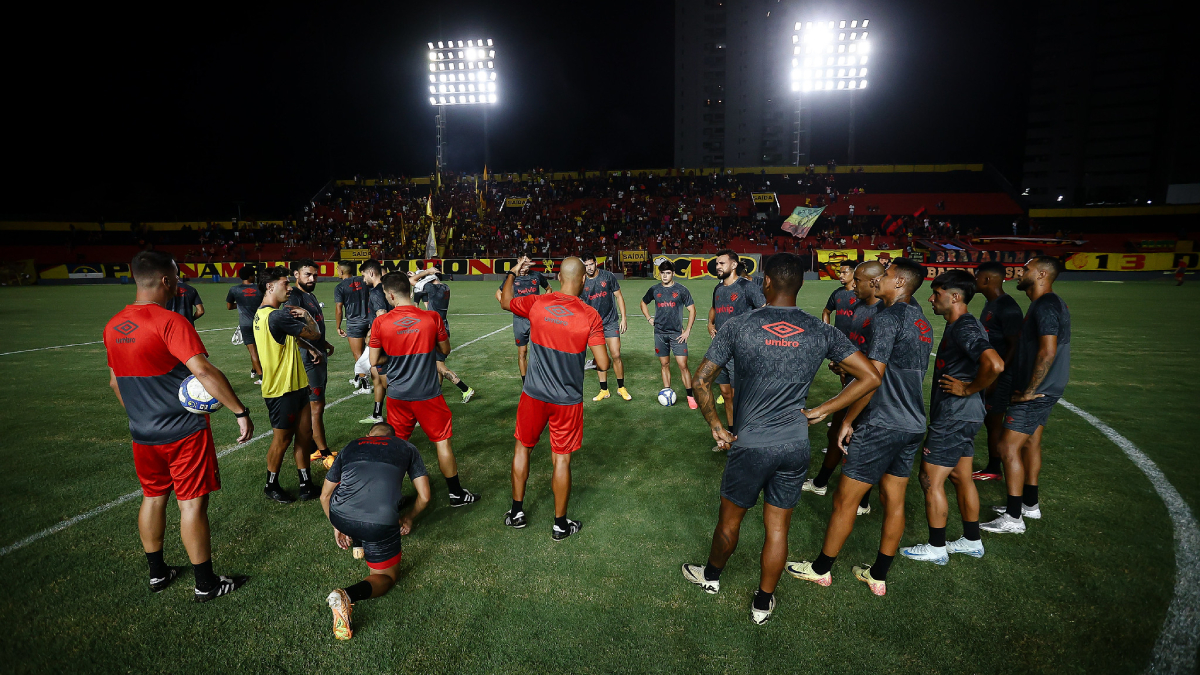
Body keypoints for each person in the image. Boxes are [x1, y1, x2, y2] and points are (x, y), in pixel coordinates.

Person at [681, 252, 880, 625]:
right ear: (801, 284)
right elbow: (870, 377)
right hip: (794, 445)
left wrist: (715, 426)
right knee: (777, 529)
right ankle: (761, 603)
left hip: (751, 444)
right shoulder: (820, 330)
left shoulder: (739, 326)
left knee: (729, 522)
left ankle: (710, 577)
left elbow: (700, 379)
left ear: (766, 282)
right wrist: (823, 410)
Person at [104, 251, 251, 602]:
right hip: (183, 432)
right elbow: (203, 371)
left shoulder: (113, 326)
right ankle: (206, 584)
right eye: (176, 276)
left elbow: (114, 383)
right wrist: (239, 410)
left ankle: (158, 575)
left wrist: (142, 415)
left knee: (153, 498)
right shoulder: (170, 321)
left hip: (143, 433)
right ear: (167, 280)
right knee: (191, 505)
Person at [786, 257, 932, 597]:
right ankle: (877, 575)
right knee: (893, 501)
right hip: (913, 423)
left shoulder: (888, 318)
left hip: (882, 422)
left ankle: (820, 569)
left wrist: (835, 414)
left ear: (899, 283)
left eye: (889, 273)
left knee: (845, 500)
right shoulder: (920, 318)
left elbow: (872, 379)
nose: (881, 277)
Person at [499, 256, 609, 540]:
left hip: (533, 394)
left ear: (559, 277)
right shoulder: (590, 315)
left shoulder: (537, 302)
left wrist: (512, 273)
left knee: (522, 449)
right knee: (561, 460)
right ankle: (560, 525)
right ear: (584, 280)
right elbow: (603, 363)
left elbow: (505, 301)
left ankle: (516, 512)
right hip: (567, 400)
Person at [900, 271, 1002, 565]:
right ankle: (971, 540)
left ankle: (936, 547)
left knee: (930, 478)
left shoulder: (964, 326)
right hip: (968, 416)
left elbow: (994, 364)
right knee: (959, 475)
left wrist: (968, 388)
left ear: (955, 297)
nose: (931, 299)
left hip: (955, 416)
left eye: (937, 293)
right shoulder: (962, 325)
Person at [369, 272, 479, 506]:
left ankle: (389, 496)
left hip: (398, 394)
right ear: (409, 292)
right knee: (442, 442)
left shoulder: (381, 322)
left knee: (396, 444)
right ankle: (456, 494)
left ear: (390, 295)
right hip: (428, 394)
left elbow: (374, 360)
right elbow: (445, 349)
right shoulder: (431, 318)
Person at [982, 256, 1071, 534]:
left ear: (1042, 274)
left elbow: (1048, 350)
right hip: (1046, 389)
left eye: (1026, 269)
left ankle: (1013, 518)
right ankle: (1029, 504)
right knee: (1031, 442)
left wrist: (1030, 390)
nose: (1020, 273)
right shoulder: (1045, 303)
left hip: (1037, 392)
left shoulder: (1045, 305)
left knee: (1008, 447)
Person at [321, 423, 431, 640]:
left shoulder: (352, 445)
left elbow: (325, 496)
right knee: (386, 577)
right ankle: (347, 595)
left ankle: (358, 542)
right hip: (379, 522)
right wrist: (408, 517)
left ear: (367, 436)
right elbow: (425, 496)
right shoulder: (406, 447)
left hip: (341, 515)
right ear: (394, 437)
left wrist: (337, 526)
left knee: (355, 493)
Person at [804, 261, 884, 516]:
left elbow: (879, 367)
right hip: (855, 383)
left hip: (875, 392)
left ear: (872, 281)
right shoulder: (858, 307)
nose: (852, 285)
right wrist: (846, 367)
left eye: (857, 279)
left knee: (860, 443)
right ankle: (820, 483)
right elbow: (858, 351)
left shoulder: (885, 314)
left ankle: (863, 500)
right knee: (837, 433)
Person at [254, 266, 327, 503]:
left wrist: (310, 349)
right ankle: (270, 485)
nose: (288, 288)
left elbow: (289, 337)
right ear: (270, 286)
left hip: (296, 385)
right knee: (282, 440)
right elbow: (314, 332)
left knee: (304, 435)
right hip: (280, 389)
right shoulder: (277, 315)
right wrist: (307, 316)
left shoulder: (264, 314)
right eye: (285, 284)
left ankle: (306, 483)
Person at [972, 262, 1023, 481]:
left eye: (977, 277)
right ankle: (992, 466)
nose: (974, 280)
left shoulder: (1007, 307)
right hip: (990, 372)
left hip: (1000, 376)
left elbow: (1014, 345)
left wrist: (996, 376)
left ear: (987, 279)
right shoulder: (991, 303)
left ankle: (994, 468)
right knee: (987, 420)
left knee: (994, 422)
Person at [707, 249, 767, 436]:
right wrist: (710, 323)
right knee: (725, 394)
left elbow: (764, 311)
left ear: (734, 265)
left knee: (741, 397)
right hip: (720, 350)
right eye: (717, 264)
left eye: (722, 263)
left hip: (740, 351)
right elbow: (714, 308)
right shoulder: (718, 288)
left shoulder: (747, 287)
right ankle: (733, 433)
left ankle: (747, 434)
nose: (718, 267)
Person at [287, 259, 337, 468]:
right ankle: (322, 451)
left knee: (312, 405)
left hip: (318, 354)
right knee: (316, 405)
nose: (312, 279)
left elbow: (312, 324)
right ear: (296, 274)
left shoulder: (310, 295)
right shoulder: (295, 297)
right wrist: (311, 348)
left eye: (315, 275)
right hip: (309, 358)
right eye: (307, 274)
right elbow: (292, 329)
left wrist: (323, 342)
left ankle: (309, 446)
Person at [412, 268, 475, 403]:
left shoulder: (431, 288)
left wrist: (424, 273)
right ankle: (437, 394)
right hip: (444, 326)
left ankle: (465, 388)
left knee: (438, 366)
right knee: (439, 364)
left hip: (436, 329)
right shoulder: (445, 288)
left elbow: (412, 282)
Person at [640, 261, 697, 408]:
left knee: (682, 365)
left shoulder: (681, 290)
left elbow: (692, 310)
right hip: (659, 333)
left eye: (668, 273)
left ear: (673, 273)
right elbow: (643, 303)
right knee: (664, 364)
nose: (664, 276)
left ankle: (690, 396)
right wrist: (649, 318)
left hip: (677, 334)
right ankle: (667, 390)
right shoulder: (654, 289)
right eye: (662, 273)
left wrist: (688, 330)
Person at [581, 251, 630, 401]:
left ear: (596, 263)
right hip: (593, 326)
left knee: (616, 354)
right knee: (600, 358)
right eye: (586, 265)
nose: (589, 267)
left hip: (610, 322)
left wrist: (624, 318)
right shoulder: (581, 281)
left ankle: (621, 388)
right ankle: (604, 390)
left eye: (591, 264)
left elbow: (619, 296)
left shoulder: (608, 276)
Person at [494, 263, 551, 383]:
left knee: (540, 350)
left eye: (527, 263)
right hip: (520, 320)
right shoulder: (512, 278)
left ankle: (542, 379)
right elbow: (498, 293)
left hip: (535, 318)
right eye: (522, 263)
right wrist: (508, 306)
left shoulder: (536, 276)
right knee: (522, 352)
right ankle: (525, 382)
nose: (524, 266)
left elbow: (548, 289)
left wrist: (543, 305)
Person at [333, 261, 372, 390]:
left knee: (358, 355)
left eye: (338, 268)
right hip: (370, 321)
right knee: (372, 352)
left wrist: (338, 326)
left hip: (354, 323)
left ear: (342, 271)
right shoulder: (363, 280)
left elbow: (339, 309)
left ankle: (365, 385)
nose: (337, 270)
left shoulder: (340, 287)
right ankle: (357, 378)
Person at [360, 260, 390, 424]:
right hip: (385, 341)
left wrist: (370, 334)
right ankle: (377, 414)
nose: (363, 278)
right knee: (376, 377)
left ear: (371, 273)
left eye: (364, 274)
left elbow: (382, 316)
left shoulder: (376, 292)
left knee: (387, 382)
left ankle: (409, 415)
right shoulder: (386, 289)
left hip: (382, 343)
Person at [226, 267, 264, 383]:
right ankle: (260, 375)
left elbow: (229, 306)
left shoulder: (234, 290)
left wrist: (241, 304)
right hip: (260, 322)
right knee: (261, 350)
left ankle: (257, 373)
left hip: (245, 324)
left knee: (253, 351)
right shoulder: (260, 288)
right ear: (251, 276)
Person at [821, 261, 857, 332]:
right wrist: (827, 330)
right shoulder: (837, 293)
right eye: (840, 273)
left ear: (854, 273)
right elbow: (826, 311)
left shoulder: (862, 294)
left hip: (856, 339)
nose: (840, 276)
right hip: (839, 339)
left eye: (844, 273)